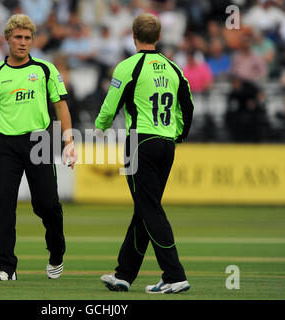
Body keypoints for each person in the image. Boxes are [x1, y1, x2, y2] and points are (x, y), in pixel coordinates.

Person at [0, 14, 76, 281]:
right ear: (7, 39)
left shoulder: (45, 70)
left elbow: (61, 105)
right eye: (17, 37)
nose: (23, 42)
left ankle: (56, 253)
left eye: (27, 38)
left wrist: (68, 141)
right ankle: (5, 266)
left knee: (47, 204)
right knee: (4, 206)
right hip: (4, 144)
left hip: (39, 140)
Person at [95, 13, 194, 294]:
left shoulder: (128, 66)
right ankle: (124, 274)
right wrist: (178, 135)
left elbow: (110, 103)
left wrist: (99, 128)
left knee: (149, 208)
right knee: (144, 208)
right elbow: (188, 106)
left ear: (133, 36)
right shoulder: (174, 68)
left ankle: (174, 274)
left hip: (138, 144)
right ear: (159, 36)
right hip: (166, 144)